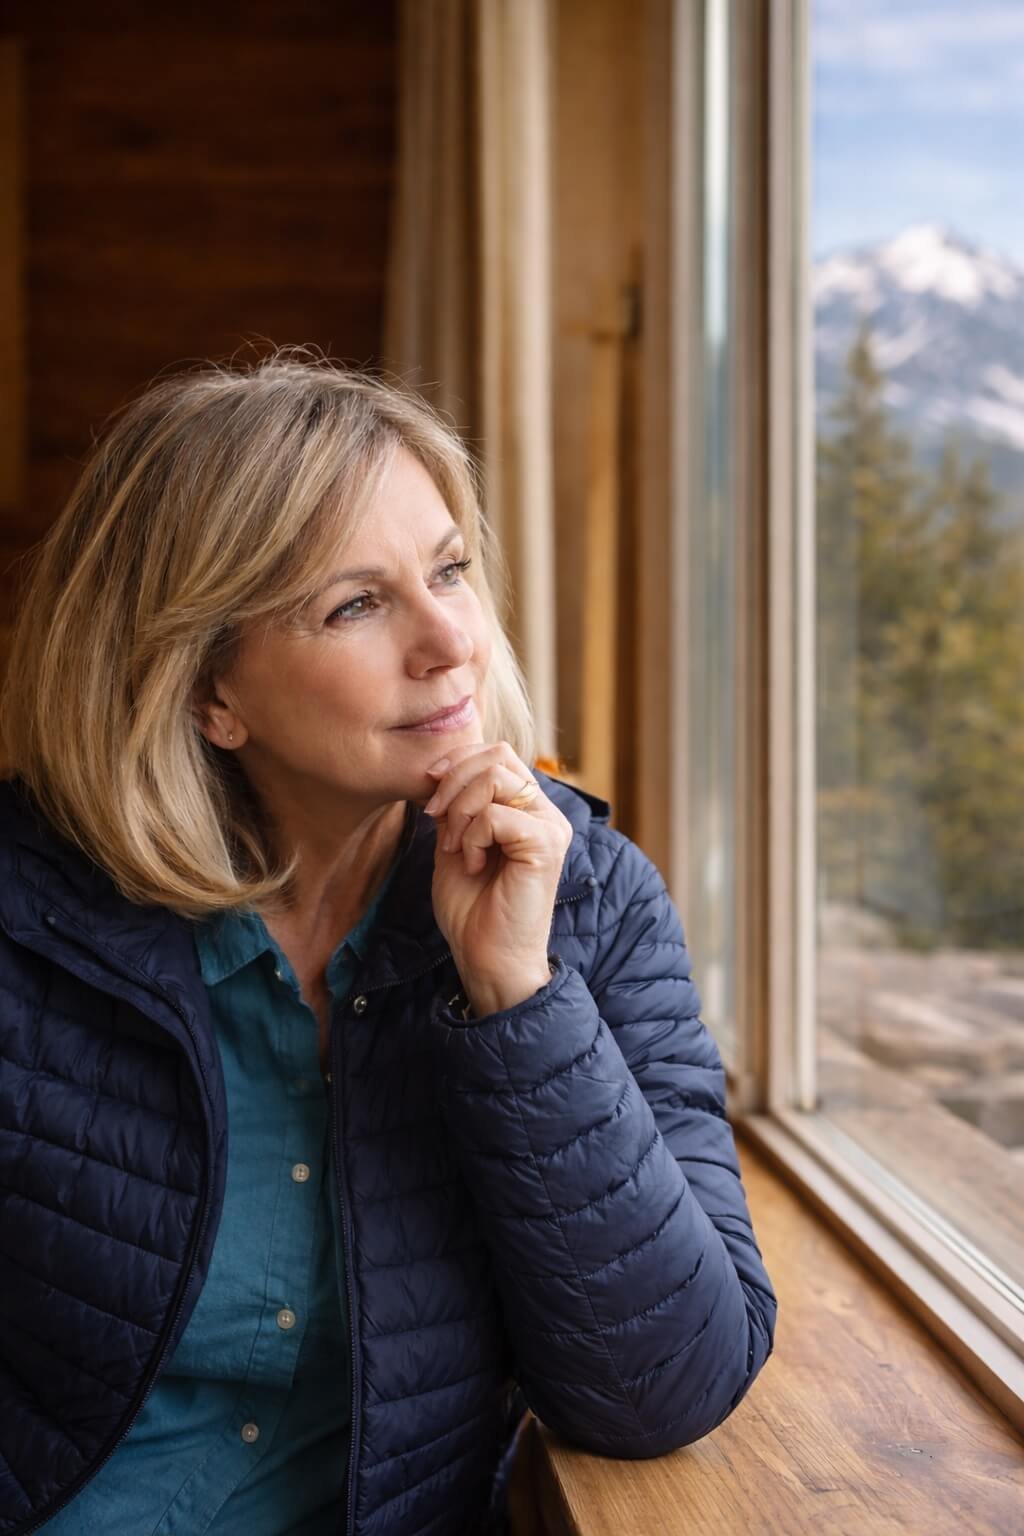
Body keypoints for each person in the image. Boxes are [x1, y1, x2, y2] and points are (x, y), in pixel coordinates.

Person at [0, 349, 777, 1536]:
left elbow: (662, 1389)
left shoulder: (589, 900)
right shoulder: (25, 911)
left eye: (450, 572)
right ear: (210, 693)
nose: (448, 641)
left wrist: (518, 998)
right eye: (356, 604)